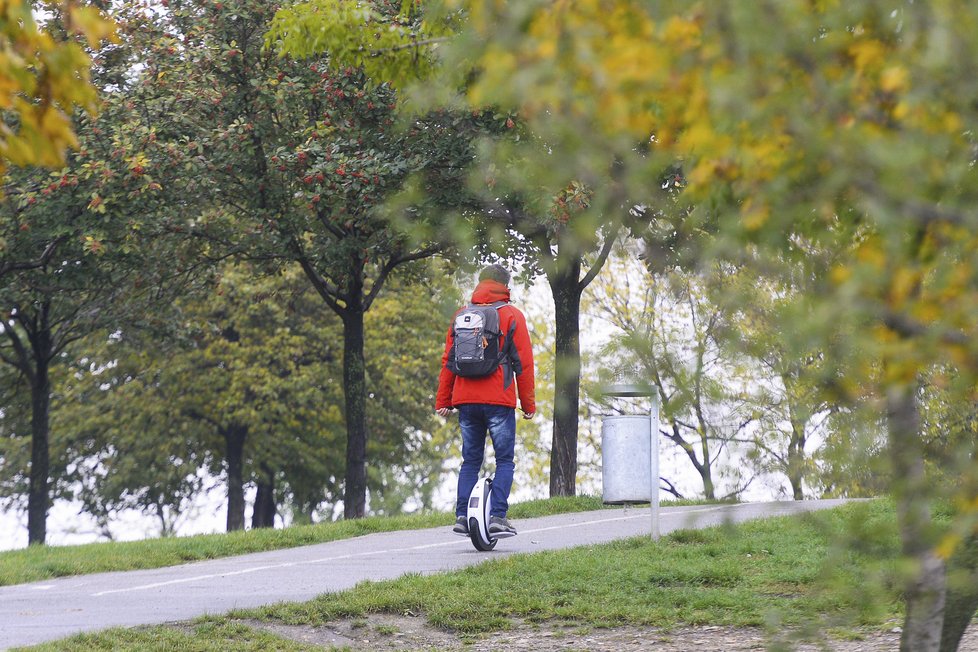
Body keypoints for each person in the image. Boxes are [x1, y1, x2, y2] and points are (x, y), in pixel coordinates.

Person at [436, 264, 536, 536]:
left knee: (470, 460)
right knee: (504, 460)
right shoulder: (512, 315)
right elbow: (523, 364)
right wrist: (528, 404)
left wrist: (443, 400)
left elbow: (448, 360)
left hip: (465, 400)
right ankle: (497, 517)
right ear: (506, 287)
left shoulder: (461, 315)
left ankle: (461, 516)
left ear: (480, 284)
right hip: (498, 400)